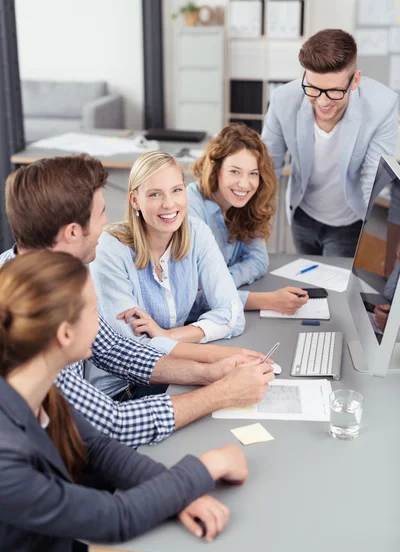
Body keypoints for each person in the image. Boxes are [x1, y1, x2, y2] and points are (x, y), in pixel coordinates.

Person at [0, 155, 275, 448]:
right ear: (72, 232)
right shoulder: (28, 312)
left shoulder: (61, 276)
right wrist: (222, 393)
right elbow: (114, 424)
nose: (106, 223)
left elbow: (115, 349)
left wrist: (207, 373)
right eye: (100, 214)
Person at [0, 250, 250, 550]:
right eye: (94, 312)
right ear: (65, 334)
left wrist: (179, 491)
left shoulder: (40, 390)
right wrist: (209, 466)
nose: (100, 321)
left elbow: (101, 449)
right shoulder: (5, 457)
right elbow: (114, 518)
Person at [88, 151, 249, 398]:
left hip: (173, 373)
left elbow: (233, 315)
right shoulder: (110, 248)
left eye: (176, 190)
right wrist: (215, 356)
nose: (169, 204)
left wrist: (169, 335)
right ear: (134, 200)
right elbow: (132, 348)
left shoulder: (196, 232)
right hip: (123, 391)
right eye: (155, 194)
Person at [262, 28, 399, 257]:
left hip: (349, 222)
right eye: (313, 89)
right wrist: (253, 228)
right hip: (302, 215)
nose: (323, 101)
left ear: (355, 80)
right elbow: (268, 166)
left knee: (335, 290)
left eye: (334, 91)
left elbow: (372, 182)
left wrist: (385, 245)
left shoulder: (382, 107)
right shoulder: (282, 100)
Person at [187, 123, 309, 314]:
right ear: (216, 170)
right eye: (234, 171)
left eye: (253, 174)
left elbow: (259, 260)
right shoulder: (191, 210)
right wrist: (267, 300)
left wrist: (220, 281)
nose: (245, 184)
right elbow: (190, 301)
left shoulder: (246, 203)